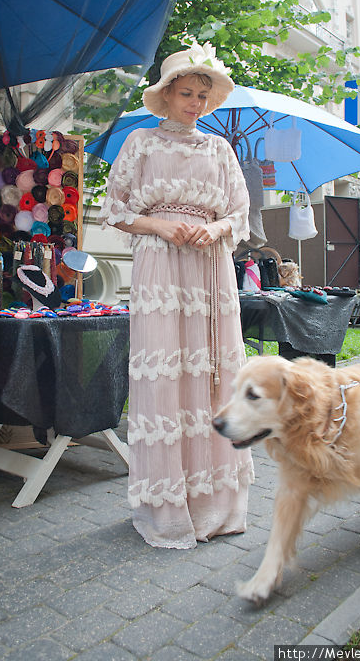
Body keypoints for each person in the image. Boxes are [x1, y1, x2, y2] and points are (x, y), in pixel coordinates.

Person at [100, 43, 254, 549]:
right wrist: (160, 227)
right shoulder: (140, 143)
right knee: (167, 372)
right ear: (165, 96)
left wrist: (217, 231)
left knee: (212, 372)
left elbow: (239, 212)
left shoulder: (220, 150)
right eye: (185, 92)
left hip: (210, 268)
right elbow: (114, 209)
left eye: (201, 95)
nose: (194, 102)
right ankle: (168, 508)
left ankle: (215, 505)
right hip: (161, 266)